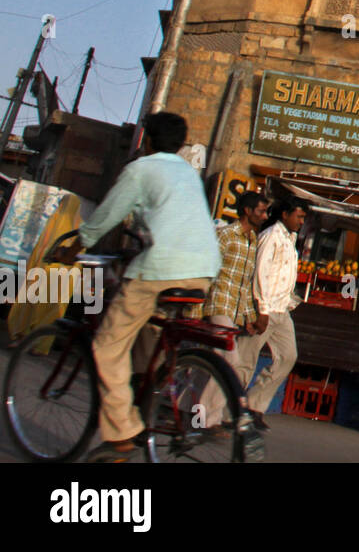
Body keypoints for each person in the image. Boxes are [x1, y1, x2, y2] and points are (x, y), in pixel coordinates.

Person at [54, 112, 221, 463]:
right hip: (203, 270)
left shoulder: (140, 169)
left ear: (146, 139)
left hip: (163, 268)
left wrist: (76, 245)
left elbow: (107, 215)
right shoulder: (188, 174)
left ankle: (122, 436)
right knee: (151, 330)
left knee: (106, 346)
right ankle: (149, 392)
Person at [197, 190, 268, 427]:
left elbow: (245, 283)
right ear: (247, 211)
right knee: (230, 359)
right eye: (261, 211)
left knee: (215, 361)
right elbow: (208, 269)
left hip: (234, 309)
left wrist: (250, 316)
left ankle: (197, 414)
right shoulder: (226, 235)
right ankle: (207, 420)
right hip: (218, 302)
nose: (265, 216)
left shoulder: (253, 241)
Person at [242, 198, 307, 428]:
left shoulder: (290, 239)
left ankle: (254, 405)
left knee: (288, 356)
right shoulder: (270, 236)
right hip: (264, 309)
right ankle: (225, 413)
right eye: (298, 216)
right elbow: (260, 273)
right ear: (285, 215)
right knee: (245, 361)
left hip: (282, 310)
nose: (301, 221)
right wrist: (261, 309)